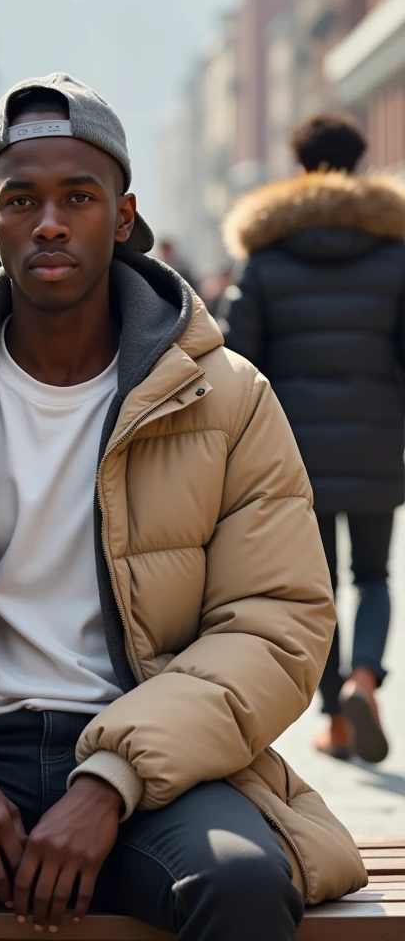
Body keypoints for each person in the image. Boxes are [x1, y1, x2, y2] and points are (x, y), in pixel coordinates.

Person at [0, 75, 365, 941]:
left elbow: (276, 622)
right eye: (23, 199)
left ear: (122, 216)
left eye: (78, 197)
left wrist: (111, 779)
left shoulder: (228, 399)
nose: (50, 221)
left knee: (240, 883)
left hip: (157, 761)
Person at [223, 112, 405, 765]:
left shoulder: (266, 256)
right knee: (375, 574)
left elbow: (237, 362)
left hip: (293, 450)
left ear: (299, 169)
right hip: (379, 441)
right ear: (360, 167)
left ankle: (333, 719)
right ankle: (365, 678)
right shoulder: (396, 252)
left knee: (317, 584)